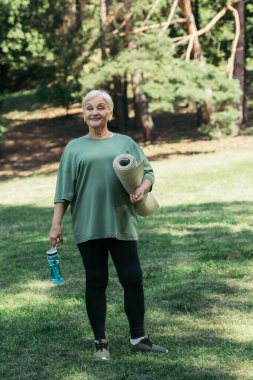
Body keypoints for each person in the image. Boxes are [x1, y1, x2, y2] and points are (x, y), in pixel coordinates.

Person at [49, 89, 168, 360]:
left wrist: (142, 187)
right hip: (89, 226)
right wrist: (56, 225)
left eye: (101, 107)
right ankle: (100, 342)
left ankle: (139, 337)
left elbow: (147, 171)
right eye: (89, 108)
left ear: (110, 113)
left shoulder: (125, 142)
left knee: (133, 279)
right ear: (83, 114)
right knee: (96, 281)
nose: (94, 112)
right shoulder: (74, 148)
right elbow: (63, 191)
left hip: (122, 223)